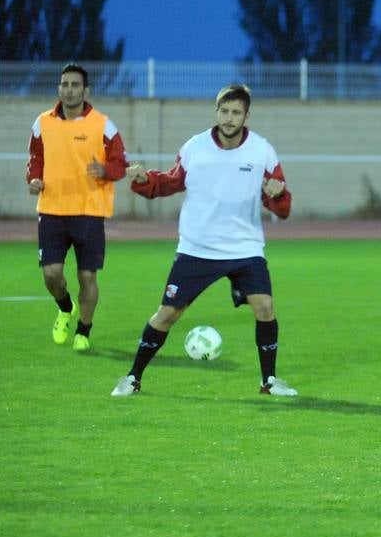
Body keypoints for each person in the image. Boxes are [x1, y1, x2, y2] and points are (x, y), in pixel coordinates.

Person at [110, 83, 299, 398]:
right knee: (168, 314)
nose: (229, 118)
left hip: (245, 248)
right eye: (224, 111)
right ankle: (132, 378)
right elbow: (171, 182)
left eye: (236, 112)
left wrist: (277, 195)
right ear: (216, 112)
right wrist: (146, 180)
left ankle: (269, 381)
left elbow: (282, 205)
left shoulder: (262, 151)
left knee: (265, 306)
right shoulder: (195, 147)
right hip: (197, 248)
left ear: (246, 116)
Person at [26, 63, 129, 351]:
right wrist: (34, 178)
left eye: (75, 85)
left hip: (89, 211)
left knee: (87, 276)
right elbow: (35, 159)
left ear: (86, 91)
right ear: (59, 88)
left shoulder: (103, 124)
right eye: (65, 84)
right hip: (52, 210)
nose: (69, 90)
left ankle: (84, 330)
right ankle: (65, 306)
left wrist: (105, 170)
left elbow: (121, 163)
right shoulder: (42, 123)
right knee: (51, 274)